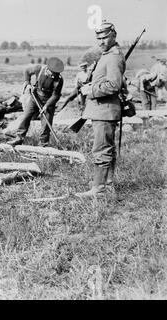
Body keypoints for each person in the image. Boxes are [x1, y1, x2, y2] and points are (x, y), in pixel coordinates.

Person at [75, 21, 126, 198]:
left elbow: (114, 85)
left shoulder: (113, 57)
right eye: (99, 38)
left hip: (105, 109)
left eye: (105, 37)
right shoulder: (108, 54)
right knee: (107, 148)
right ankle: (107, 183)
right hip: (103, 109)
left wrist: (91, 90)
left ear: (114, 35)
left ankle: (98, 189)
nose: (101, 41)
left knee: (101, 149)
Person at [7, 57, 64, 147]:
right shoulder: (39, 68)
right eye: (52, 73)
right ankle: (19, 139)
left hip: (48, 101)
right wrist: (27, 83)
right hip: (35, 97)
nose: (54, 76)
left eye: (56, 74)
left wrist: (46, 106)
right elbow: (26, 71)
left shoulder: (59, 80)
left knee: (46, 124)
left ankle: (43, 144)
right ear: (48, 69)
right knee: (26, 117)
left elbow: (55, 95)